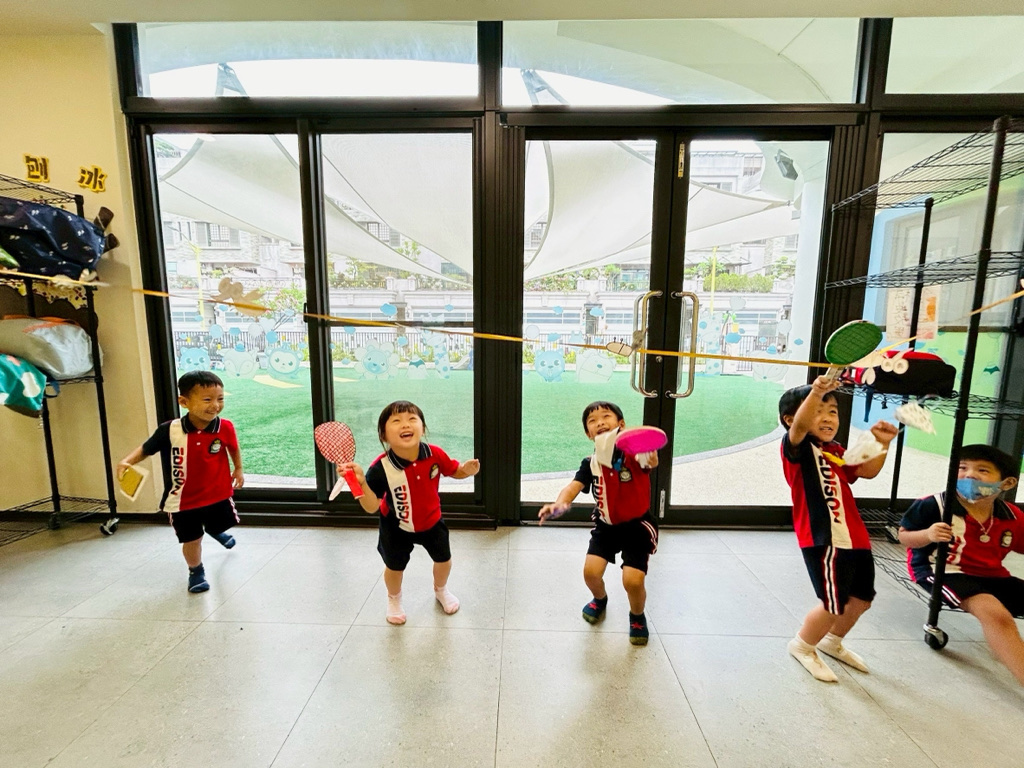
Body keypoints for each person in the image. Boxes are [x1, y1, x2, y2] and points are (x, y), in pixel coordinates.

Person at [779, 376, 898, 681]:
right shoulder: (797, 448)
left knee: (861, 598)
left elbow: (867, 471)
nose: (828, 418)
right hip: (823, 538)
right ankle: (803, 645)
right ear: (791, 419)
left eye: (832, 411)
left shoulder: (836, 450)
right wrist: (817, 391)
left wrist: (882, 444)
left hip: (855, 538)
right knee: (833, 603)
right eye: (818, 411)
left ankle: (832, 641)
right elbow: (800, 427)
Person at [340, 400, 480, 625]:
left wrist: (466, 470)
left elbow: (454, 470)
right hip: (395, 526)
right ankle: (394, 599)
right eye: (396, 421)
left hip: (432, 521)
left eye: (412, 419)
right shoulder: (381, 468)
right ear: (384, 435)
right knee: (394, 567)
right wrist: (361, 483)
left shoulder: (434, 454)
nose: (405, 424)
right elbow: (371, 506)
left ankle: (441, 590)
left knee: (444, 560)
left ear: (422, 428)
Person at [898, 444, 1024, 686]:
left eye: (983, 470)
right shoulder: (935, 504)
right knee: (995, 615)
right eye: (962, 468)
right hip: (943, 571)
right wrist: (928, 535)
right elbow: (904, 536)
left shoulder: (1011, 515)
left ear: (1007, 483)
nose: (969, 475)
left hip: (993, 575)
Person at [538, 401, 660, 646]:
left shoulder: (634, 456)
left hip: (637, 527)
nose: (600, 422)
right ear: (588, 434)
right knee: (591, 573)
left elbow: (651, 460)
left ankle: (637, 616)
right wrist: (559, 503)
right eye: (592, 421)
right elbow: (573, 487)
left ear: (621, 424)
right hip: (606, 526)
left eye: (606, 417)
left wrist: (645, 445)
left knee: (633, 581)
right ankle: (600, 599)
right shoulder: (590, 463)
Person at [117, 370, 244, 593]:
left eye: (220, 399)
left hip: (217, 494)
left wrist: (238, 468)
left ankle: (214, 530)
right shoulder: (169, 430)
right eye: (207, 399)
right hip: (182, 501)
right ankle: (196, 571)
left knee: (220, 524)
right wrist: (126, 461)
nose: (215, 405)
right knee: (192, 539)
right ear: (184, 402)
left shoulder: (225, 427)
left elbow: (233, 447)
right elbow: (146, 449)